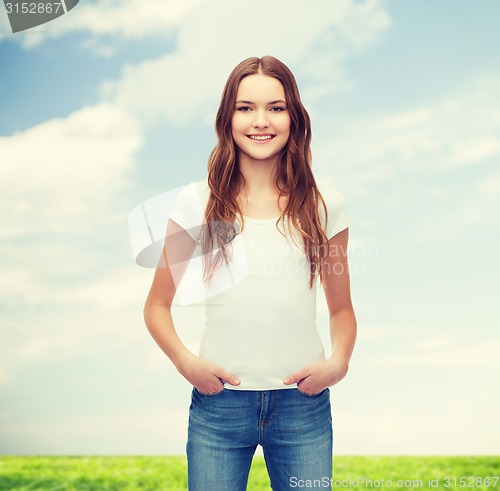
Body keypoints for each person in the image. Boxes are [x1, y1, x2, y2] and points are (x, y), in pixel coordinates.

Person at [143, 55, 357, 491]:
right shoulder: (195, 202)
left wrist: (339, 363)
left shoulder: (324, 204)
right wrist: (187, 363)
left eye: (276, 107)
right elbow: (156, 305)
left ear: (294, 117)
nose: (261, 121)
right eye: (246, 107)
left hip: (303, 405)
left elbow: (341, 310)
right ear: (228, 117)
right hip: (218, 407)